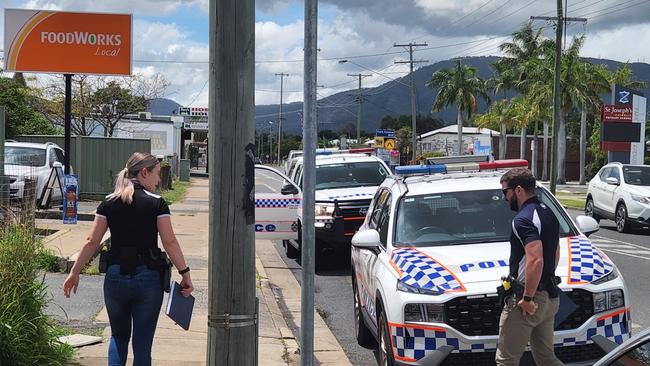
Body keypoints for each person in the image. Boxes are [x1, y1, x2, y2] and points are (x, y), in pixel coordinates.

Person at [63, 152, 194, 366]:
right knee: (142, 345)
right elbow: (169, 241)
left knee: (118, 337)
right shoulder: (156, 204)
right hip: (148, 279)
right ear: (144, 172)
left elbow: (91, 241)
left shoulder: (108, 202)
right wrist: (184, 273)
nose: (158, 180)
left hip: (115, 277)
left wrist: (74, 272)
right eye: (156, 174)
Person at [496, 167, 563, 366]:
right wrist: (545, 280)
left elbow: (536, 259)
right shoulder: (547, 212)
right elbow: (555, 251)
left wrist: (527, 297)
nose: (504, 198)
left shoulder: (523, 219)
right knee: (547, 359)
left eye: (504, 192)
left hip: (529, 300)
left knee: (506, 361)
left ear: (518, 190)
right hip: (550, 297)